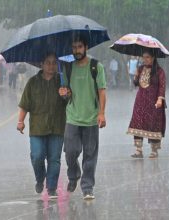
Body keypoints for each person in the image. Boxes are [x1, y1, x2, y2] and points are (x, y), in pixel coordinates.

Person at [59, 35, 107, 200]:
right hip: (72, 118)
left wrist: (101, 113)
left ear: (86, 47)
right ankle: (73, 175)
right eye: (74, 47)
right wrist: (64, 93)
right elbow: (66, 91)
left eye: (79, 47)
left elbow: (102, 91)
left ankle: (87, 187)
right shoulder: (68, 68)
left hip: (91, 119)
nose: (77, 51)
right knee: (70, 152)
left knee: (90, 155)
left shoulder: (96, 67)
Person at [17, 52, 66, 199]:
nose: (51, 66)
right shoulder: (33, 82)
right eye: (48, 62)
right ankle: (40, 179)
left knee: (54, 159)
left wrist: (66, 94)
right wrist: (20, 121)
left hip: (57, 126)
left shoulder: (62, 81)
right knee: (37, 157)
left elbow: (70, 102)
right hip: (37, 128)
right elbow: (25, 104)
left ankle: (51, 188)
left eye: (54, 63)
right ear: (42, 64)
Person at [128, 50, 166, 159]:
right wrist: (135, 76)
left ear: (153, 58)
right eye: (143, 57)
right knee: (138, 123)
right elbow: (136, 84)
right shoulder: (140, 69)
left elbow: (162, 86)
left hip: (153, 102)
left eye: (147, 57)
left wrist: (160, 99)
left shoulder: (159, 71)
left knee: (154, 124)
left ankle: (154, 151)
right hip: (140, 101)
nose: (145, 59)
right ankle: (138, 150)